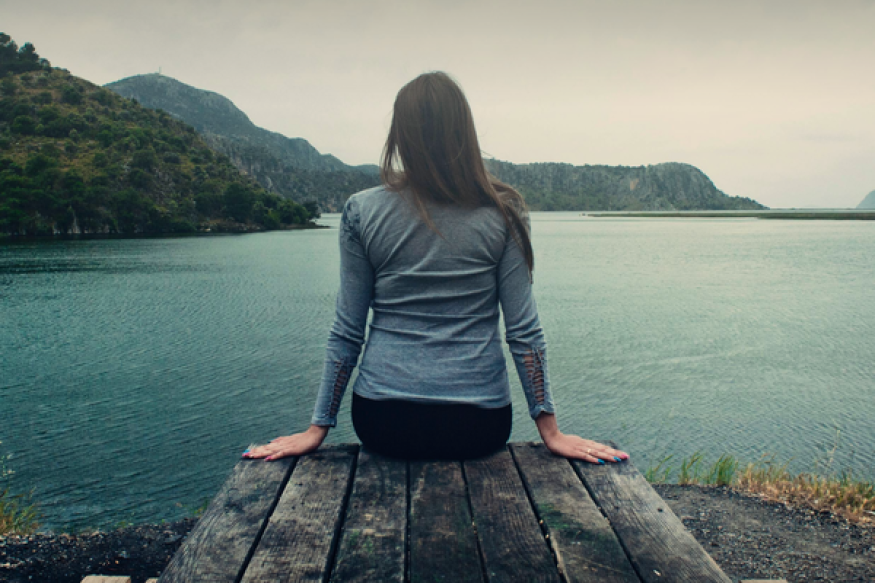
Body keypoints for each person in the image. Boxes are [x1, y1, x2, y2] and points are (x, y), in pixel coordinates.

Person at [245, 72, 628, 464]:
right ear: (464, 131)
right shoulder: (505, 213)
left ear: (400, 136)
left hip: (381, 422)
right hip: (479, 425)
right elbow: (523, 331)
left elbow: (347, 330)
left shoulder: (362, 211)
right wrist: (551, 431)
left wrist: (318, 427)